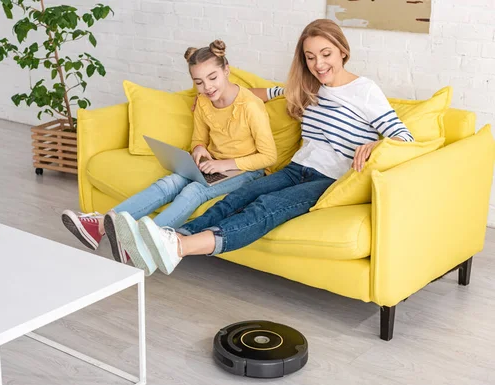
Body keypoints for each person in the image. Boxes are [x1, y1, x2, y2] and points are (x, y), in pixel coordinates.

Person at [119, 18, 414, 276]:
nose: (319, 64)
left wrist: (376, 144)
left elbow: (405, 138)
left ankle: (178, 245)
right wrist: (212, 96)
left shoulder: (365, 91)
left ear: (343, 51)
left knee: (265, 208)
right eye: (310, 57)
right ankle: (169, 239)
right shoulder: (307, 86)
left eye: (326, 54)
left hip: (330, 179)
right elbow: (256, 93)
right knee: (238, 197)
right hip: (296, 169)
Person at [62, 39, 277, 275]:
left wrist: (224, 164)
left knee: (194, 191)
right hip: (213, 164)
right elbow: (198, 138)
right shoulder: (204, 102)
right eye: (199, 82)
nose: (207, 87)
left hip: (247, 171)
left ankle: (141, 245)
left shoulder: (250, 106)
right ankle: (102, 225)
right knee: (169, 182)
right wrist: (199, 149)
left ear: (227, 70)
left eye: (213, 77)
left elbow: (268, 156)